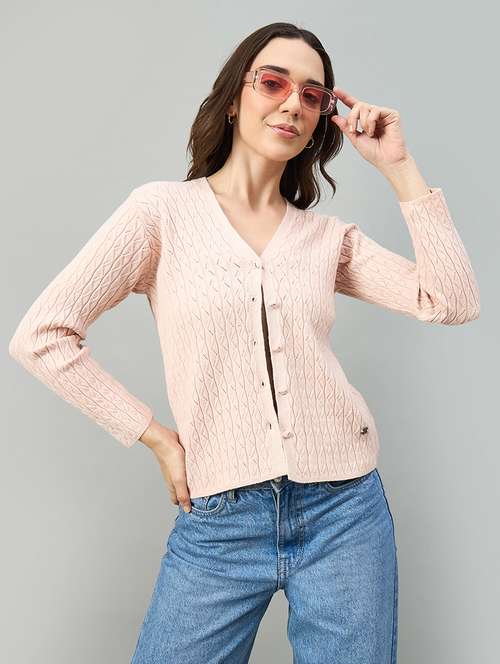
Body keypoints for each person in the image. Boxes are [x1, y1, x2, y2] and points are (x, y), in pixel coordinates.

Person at [8, 22, 480, 664]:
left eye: (312, 95)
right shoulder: (161, 215)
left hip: (345, 512)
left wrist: (399, 168)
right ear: (234, 97)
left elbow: (451, 301)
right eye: (273, 82)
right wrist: (155, 436)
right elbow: (42, 335)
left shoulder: (325, 240)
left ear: (321, 120)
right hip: (221, 517)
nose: (292, 104)